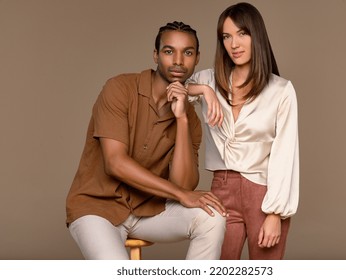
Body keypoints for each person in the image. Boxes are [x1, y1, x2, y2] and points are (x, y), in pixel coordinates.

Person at [65, 21, 226, 260]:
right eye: (169, 51)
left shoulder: (190, 117)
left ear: (197, 58)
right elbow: (115, 163)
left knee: (212, 216)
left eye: (188, 52)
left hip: (147, 211)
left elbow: (184, 185)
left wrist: (181, 119)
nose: (179, 61)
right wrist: (180, 195)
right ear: (156, 55)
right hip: (96, 208)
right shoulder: (119, 88)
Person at [186, 2, 299, 259]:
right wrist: (204, 91)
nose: (234, 44)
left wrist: (274, 213)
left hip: (263, 192)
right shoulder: (208, 80)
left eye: (242, 33)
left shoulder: (280, 90)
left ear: (256, 35)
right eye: (226, 36)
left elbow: (285, 154)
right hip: (221, 188)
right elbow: (171, 89)